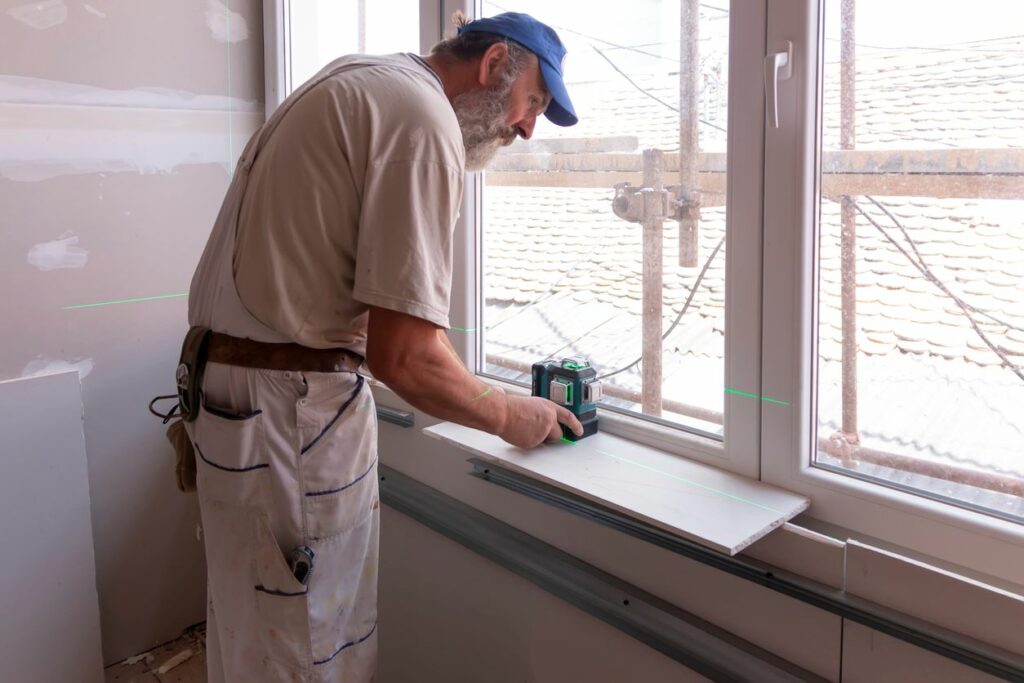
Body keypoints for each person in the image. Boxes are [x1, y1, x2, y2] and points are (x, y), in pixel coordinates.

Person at [182, 11, 582, 682]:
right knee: (309, 648)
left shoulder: (363, 79)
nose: (526, 127)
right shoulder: (420, 120)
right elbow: (407, 357)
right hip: (289, 419)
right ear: (492, 67)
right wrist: (514, 414)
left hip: (232, 400)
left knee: (250, 629)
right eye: (533, 101)